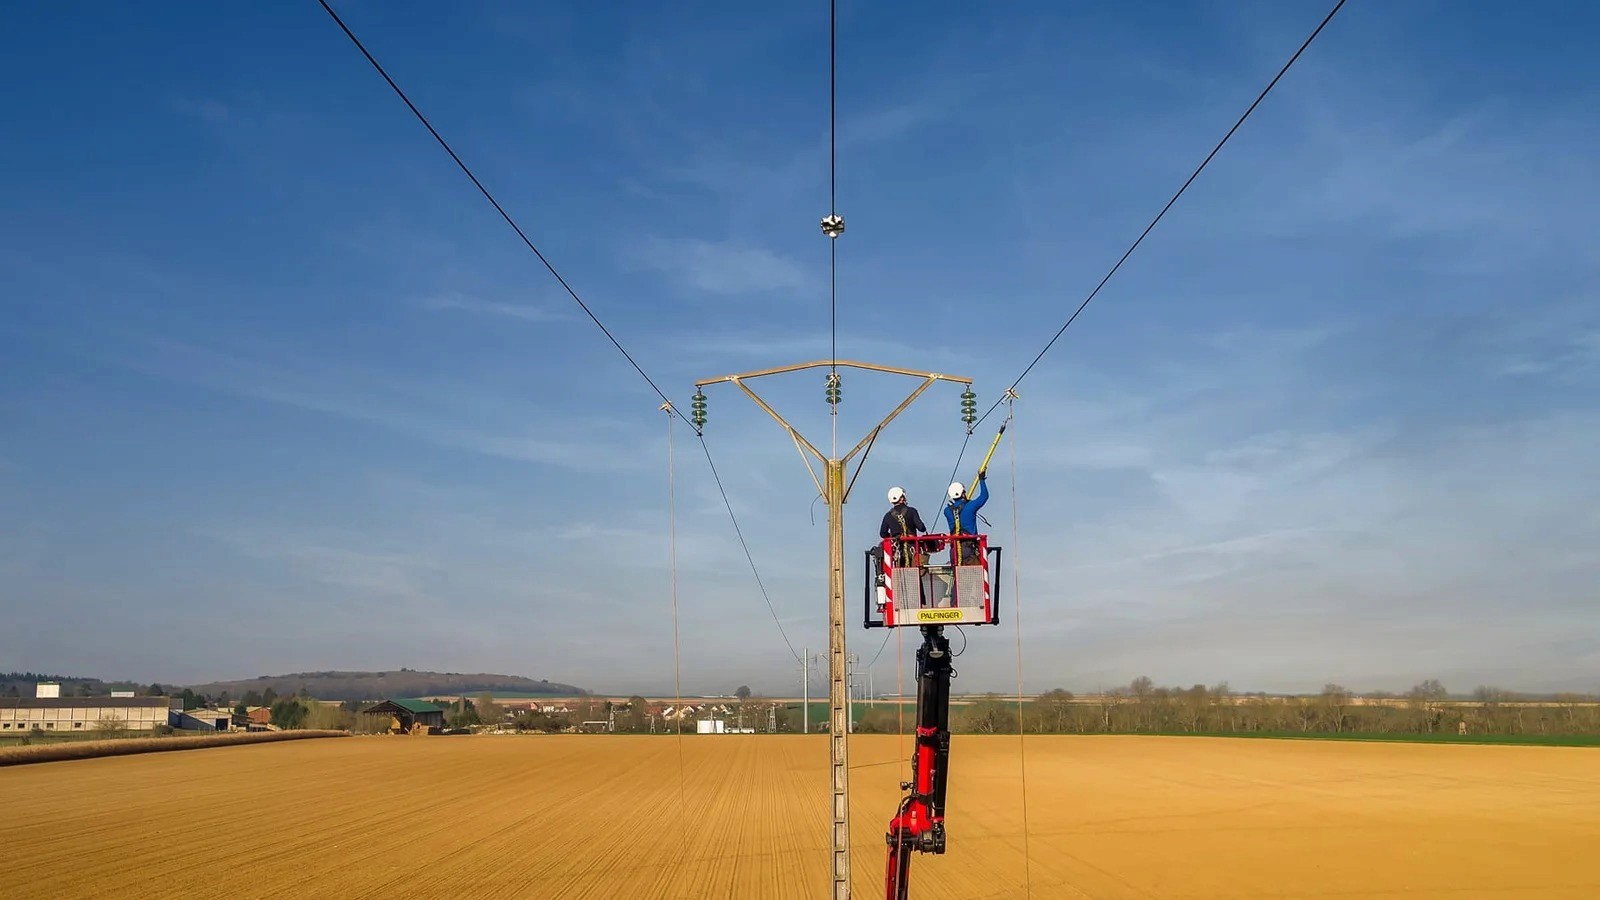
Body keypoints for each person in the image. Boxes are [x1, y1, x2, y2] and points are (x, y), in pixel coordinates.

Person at [943, 473, 989, 566]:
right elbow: (984, 496)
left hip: (954, 551)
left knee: (959, 579)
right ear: (963, 493)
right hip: (969, 550)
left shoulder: (947, 511)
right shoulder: (970, 506)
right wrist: (982, 480)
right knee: (973, 578)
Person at [879, 486, 929, 568]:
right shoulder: (912, 511)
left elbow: (882, 533)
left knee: (899, 572)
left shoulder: (888, 516)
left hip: (897, 550)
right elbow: (921, 528)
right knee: (915, 573)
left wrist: (894, 537)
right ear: (901, 498)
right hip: (913, 547)